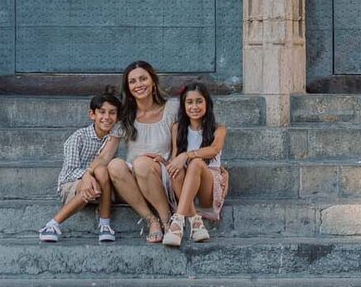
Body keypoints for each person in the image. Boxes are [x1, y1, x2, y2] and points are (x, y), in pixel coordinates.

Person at [107, 60, 178, 244]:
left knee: (142, 163)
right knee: (114, 165)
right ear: (128, 87)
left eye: (143, 79)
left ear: (153, 81)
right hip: (133, 179)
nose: (138, 85)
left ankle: (166, 219)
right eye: (133, 81)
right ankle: (151, 220)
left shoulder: (171, 108)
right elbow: (105, 156)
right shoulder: (125, 115)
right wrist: (89, 175)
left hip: (162, 172)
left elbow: (179, 149)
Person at [38, 90, 121, 242]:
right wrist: (86, 177)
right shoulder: (78, 137)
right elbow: (69, 171)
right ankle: (52, 225)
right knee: (91, 181)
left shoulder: (115, 139)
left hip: (105, 187)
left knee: (101, 171)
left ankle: (104, 225)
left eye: (112, 113)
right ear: (92, 115)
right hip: (72, 186)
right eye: (102, 112)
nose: (107, 117)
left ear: (118, 117)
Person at [163, 82, 228, 247]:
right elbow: (176, 158)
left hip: (208, 186)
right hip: (184, 183)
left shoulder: (218, 129)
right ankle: (195, 221)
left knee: (196, 163)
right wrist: (167, 161)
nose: (194, 106)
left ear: (207, 103)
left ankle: (177, 222)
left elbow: (214, 150)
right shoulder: (177, 128)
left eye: (199, 101)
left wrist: (187, 155)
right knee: (176, 169)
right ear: (184, 106)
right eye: (189, 102)